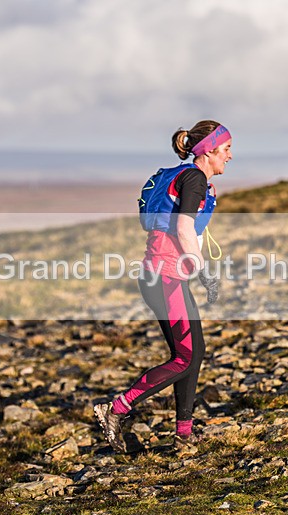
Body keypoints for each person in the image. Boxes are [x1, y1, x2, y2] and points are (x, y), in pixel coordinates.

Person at [95, 120, 231, 453]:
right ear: (208, 151)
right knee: (185, 357)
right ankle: (116, 408)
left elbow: (182, 231)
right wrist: (203, 272)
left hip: (163, 277)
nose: (230, 157)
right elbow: (184, 228)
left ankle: (184, 434)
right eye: (226, 150)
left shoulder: (185, 178)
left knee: (192, 354)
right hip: (165, 278)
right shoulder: (195, 179)